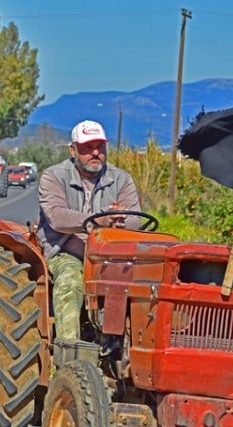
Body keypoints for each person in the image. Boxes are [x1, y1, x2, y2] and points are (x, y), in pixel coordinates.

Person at [37, 119, 142, 343]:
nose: (95, 153)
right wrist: (100, 220)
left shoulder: (122, 180)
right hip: (66, 252)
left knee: (142, 286)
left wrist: (119, 221)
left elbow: (136, 220)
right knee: (70, 281)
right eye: (86, 148)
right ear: (72, 150)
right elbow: (57, 216)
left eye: (99, 147)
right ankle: (70, 354)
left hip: (111, 257)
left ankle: (122, 346)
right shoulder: (53, 177)